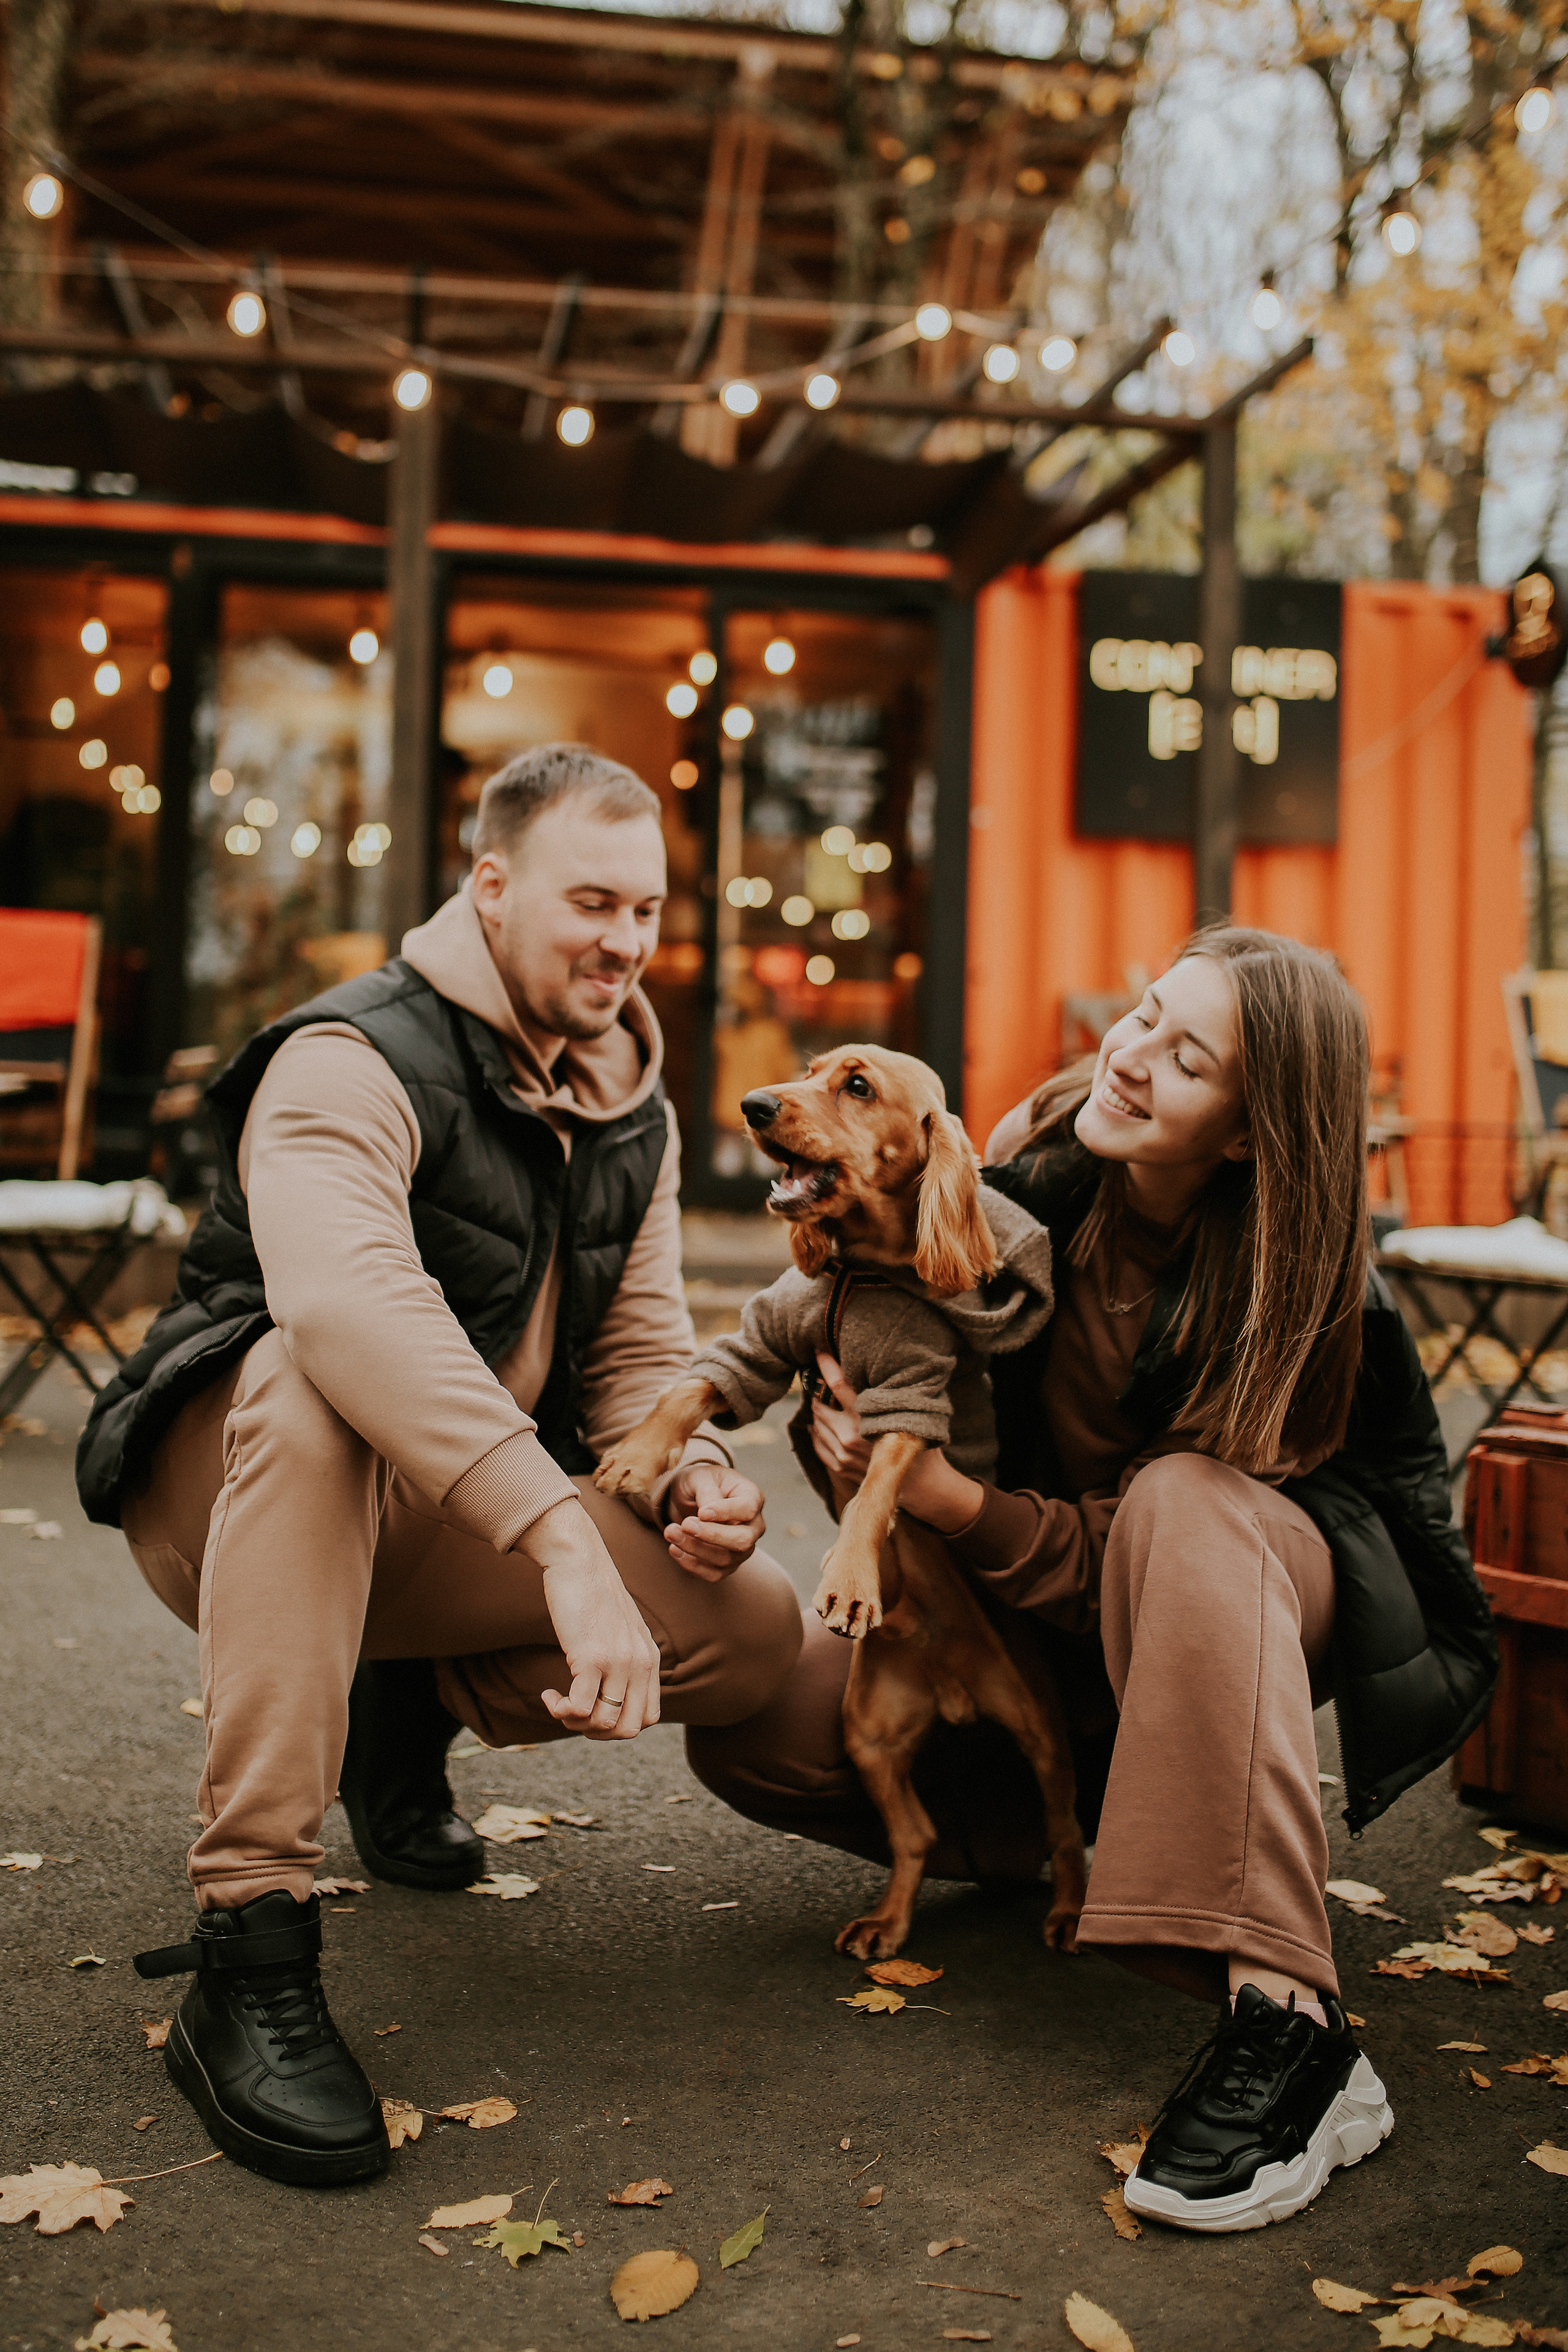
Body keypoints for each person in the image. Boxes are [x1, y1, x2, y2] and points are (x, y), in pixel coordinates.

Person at [688, 925, 1496, 2234]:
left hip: (1250, 1592)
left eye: (1187, 1058)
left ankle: (1291, 2024)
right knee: (762, 1737)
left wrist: (947, 1498)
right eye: (1141, 1016)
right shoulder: (1027, 1177)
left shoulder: (1301, 1287)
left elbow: (1106, 1554)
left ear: (1244, 1131)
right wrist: (835, 1439)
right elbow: (882, 1346)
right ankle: (1088, 1836)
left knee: (1180, 1504)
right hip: (1041, 1632)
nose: (1129, 1060)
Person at [77, 744, 802, 2189]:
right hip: (231, 1496)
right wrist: (557, 1540)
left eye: (647, 911)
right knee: (316, 1374)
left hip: (445, 1514)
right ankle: (249, 1939)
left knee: (753, 1624)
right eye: (589, 899)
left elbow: (636, 1352)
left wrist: (687, 1469)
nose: (624, 941)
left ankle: (395, 1700)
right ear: (488, 885)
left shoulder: (631, 1100)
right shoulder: (349, 1054)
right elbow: (346, 1302)